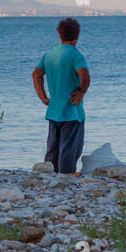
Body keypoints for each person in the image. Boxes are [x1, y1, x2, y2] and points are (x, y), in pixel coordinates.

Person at [31, 18, 89, 174]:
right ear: (77, 36)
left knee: (53, 149)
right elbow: (84, 75)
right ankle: (66, 178)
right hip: (72, 111)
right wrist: (81, 91)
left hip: (54, 110)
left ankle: (49, 177)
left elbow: (36, 74)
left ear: (60, 34)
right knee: (69, 151)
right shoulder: (76, 56)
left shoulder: (49, 54)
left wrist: (43, 97)